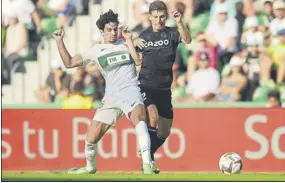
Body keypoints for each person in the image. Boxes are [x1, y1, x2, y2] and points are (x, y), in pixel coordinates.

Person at [53, 9, 153, 174]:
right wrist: (59, 41)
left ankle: (148, 163)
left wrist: (132, 41)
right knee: (90, 138)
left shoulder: (128, 43)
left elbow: (139, 60)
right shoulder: (95, 51)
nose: (113, 33)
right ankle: (90, 167)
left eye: (115, 29)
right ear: (102, 32)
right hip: (111, 96)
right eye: (109, 30)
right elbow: (69, 63)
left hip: (130, 89)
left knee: (139, 119)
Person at [134, 0, 191, 173]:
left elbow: (187, 39)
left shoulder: (173, 33)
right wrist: (132, 43)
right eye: (156, 17)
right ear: (150, 17)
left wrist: (180, 22)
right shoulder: (143, 36)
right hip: (146, 84)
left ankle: (147, 152)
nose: (159, 20)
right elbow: (134, 59)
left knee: (165, 132)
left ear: (166, 17)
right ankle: (147, 162)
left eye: (162, 17)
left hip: (165, 89)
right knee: (152, 116)